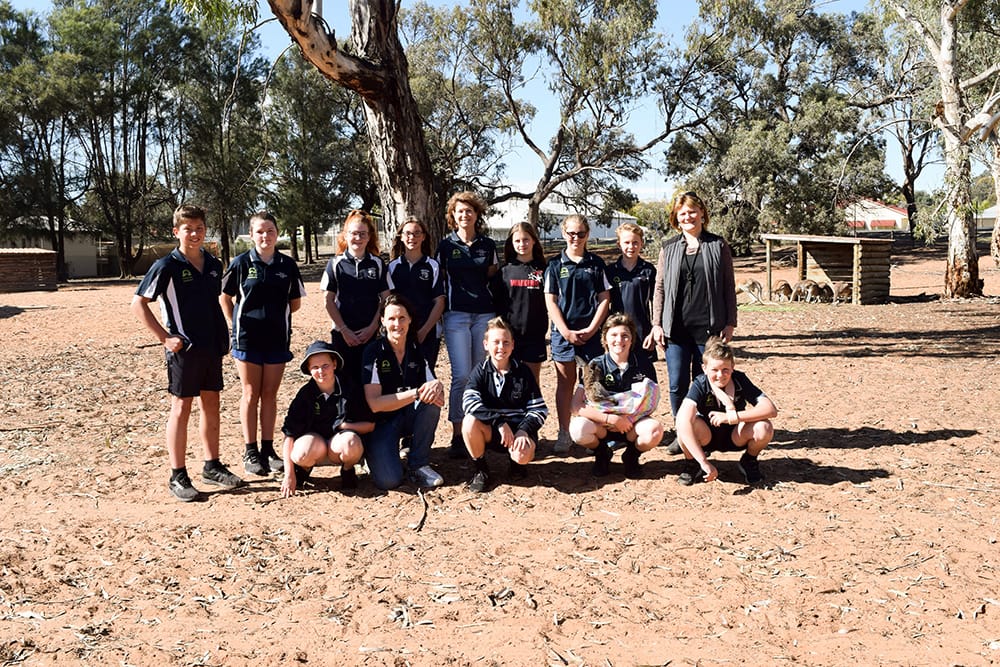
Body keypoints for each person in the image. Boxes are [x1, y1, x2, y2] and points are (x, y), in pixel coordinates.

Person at [130, 204, 245, 501]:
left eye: (199, 229)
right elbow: (138, 304)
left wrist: (225, 334)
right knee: (181, 409)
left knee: (211, 404)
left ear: (206, 231)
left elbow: (218, 300)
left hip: (211, 348)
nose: (194, 234)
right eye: (188, 229)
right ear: (176, 232)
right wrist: (165, 338)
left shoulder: (212, 263)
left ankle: (212, 465)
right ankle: (178, 475)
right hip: (184, 350)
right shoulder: (166, 266)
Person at [221, 211, 306, 477]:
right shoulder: (241, 263)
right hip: (247, 339)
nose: (265, 236)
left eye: (270, 230)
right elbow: (225, 297)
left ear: (277, 233)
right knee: (250, 393)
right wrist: (236, 323)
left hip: (277, 339)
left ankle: (268, 450)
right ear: (251, 235)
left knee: (269, 394)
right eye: (259, 231)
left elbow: (295, 302)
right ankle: (250, 450)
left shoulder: (287, 265)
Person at [650, 191, 737, 453]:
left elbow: (728, 287)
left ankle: (706, 433)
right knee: (677, 383)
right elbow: (660, 288)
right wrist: (656, 323)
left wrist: (730, 321)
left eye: (692, 211)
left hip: (708, 329)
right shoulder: (669, 247)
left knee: (706, 382)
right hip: (675, 329)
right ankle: (683, 431)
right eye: (682, 213)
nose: (687, 216)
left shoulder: (717, 245)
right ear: (676, 217)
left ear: (701, 213)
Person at [436, 191, 499, 458]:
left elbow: (492, 275)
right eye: (460, 211)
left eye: (469, 211)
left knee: (478, 374)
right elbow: (439, 280)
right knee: (461, 375)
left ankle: (478, 430)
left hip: (483, 316)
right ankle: (457, 433)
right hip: (456, 316)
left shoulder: (488, 245)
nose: (465, 215)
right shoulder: (445, 246)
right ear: (453, 216)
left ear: (477, 214)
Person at [362, 292, 446, 490]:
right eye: (391, 318)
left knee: (431, 403)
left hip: (406, 415)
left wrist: (437, 386)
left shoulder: (415, 347)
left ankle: (418, 464)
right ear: (382, 320)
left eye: (402, 318)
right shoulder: (374, 352)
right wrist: (416, 393)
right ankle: (372, 454)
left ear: (409, 320)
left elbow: (433, 389)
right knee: (389, 481)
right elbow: (375, 404)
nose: (397, 324)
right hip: (381, 423)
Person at [543, 214, 611, 454]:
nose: (576, 238)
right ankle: (564, 432)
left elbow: (605, 299)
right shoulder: (554, 265)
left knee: (591, 384)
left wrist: (593, 329)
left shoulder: (596, 264)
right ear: (563, 234)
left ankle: (592, 431)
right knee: (565, 383)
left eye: (581, 233)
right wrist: (565, 331)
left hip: (590, 334)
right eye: (571, 233)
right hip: (564, 334)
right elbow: (550, 301)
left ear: (587, 235)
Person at [569, 313, 664, 477]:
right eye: (613, 335)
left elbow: (649, 402)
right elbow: (576, 405)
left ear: (632, 339)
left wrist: (627, 419)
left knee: (654, 431)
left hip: (631, 424)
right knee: (578, 429)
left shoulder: (643, 364)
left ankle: (631, 456)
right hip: (602, 425)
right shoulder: (594, 365)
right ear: (605, 339)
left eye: (625, 335)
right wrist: (610, 419)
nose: (619, 340)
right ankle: (602, 454)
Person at [674, 336, 777, 486]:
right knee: (685, 427)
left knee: (764, 427)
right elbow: (682, 420)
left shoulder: (740, 379)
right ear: (704, 368)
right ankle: (693, 463)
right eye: (714, 370)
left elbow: (770, 409)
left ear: (733, 367)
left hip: (735, 434)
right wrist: (704, 462)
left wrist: (732, 417)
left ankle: (749, 460)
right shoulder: (700, 384)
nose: (720, 375)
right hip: (707, 436)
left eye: (725, 370)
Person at [462, 317, 548, 493]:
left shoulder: (523, 372)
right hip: (493, 431)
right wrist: (499, 422)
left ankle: (517, 465)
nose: (501, 347)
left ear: (513, 345)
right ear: (486, 344)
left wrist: (524, 430)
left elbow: (538, 409)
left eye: (506, 342)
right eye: (496, 342)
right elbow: (469, 402)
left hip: (518, 432)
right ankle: (481, 469)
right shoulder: (480, 371)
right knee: (469, 422)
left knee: (522, 456)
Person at [279, 340, 373, 497]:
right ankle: (304, 468)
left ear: (334, 364)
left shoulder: (350, 388)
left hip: (340, 445)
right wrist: (288, 474)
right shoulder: (305, 395)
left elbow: (370, 425)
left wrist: (344, 427)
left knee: (351, 442)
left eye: (325, 365)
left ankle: (348, 469)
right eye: (315, 367)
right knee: (301, 452)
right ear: (309, 369)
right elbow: (289, 434)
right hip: (316, 446)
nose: (321, 371)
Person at [321, 210, 389, 383]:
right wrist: (344, 330)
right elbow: (328, 300)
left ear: (369, 237)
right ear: (345, 235)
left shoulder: (378, 263)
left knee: (370, 382)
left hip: (370, 335)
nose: (358, 238)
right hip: (342, 336)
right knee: (345, 383)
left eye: (362, 234)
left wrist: (373, 327)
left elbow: (386, 299)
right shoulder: (335, 264)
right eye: (353, 233)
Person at [386, 217, 446, 371]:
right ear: (401, 237)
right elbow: (387, 302)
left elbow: (439, 302)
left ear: (424, 236)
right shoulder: (392, 267)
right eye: (408, 234)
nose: (412, 238)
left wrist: (424, 331)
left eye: (417, 233)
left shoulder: (433, 266)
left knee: (426, 377)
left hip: (427, 332)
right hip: (400, 331)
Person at [492, 222, 548, 386]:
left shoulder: (544, 270)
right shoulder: (504, 272)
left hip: (534, 336)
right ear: (511, 243)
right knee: (508, 381)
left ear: (534, 241)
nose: (522, 244)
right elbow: (496, 304)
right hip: (509, 337)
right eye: (517, 241)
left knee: (531, 382)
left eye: (526, 240)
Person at [605, 222, 657, 365]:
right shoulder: (610, 271)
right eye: (626, 242)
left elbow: (657, 303)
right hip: (618, 335)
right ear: (619, 244)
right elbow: (604, 303)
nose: (631, 247)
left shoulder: (648, 270)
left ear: (641, 244)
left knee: (645, 381)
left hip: (642, 334)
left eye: (635, 243)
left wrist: (653, 331)